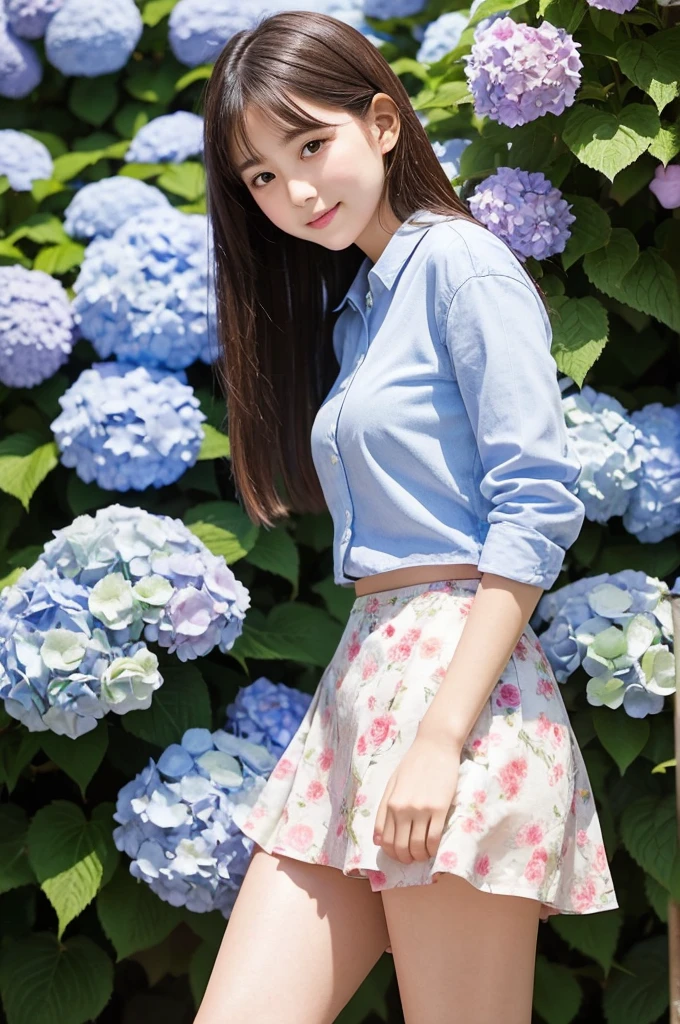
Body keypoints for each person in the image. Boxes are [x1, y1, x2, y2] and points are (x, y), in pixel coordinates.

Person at [196, 10, 618, 1023]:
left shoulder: (459, 264)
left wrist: (438, 736)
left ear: (381, 124)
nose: (293, 192)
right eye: (259, 175)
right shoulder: (361, 305)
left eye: (309, 144)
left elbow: (532, 503)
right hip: (362, 682)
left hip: (456, 697)